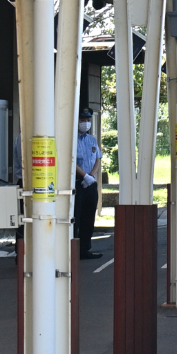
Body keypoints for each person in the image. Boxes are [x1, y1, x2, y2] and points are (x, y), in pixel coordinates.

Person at [74, 109, 102, 259]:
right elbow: (70, 160)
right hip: (77, 183)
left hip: (90, 183)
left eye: (88, 120)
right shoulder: (71, 139)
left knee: (88, 217)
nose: (86, 123)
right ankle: (73, 250)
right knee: (76, 217)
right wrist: (84, 175)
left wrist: (91, 176)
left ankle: (85, 249)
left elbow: (98, 158)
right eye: (82, 120)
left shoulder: (92, 139)